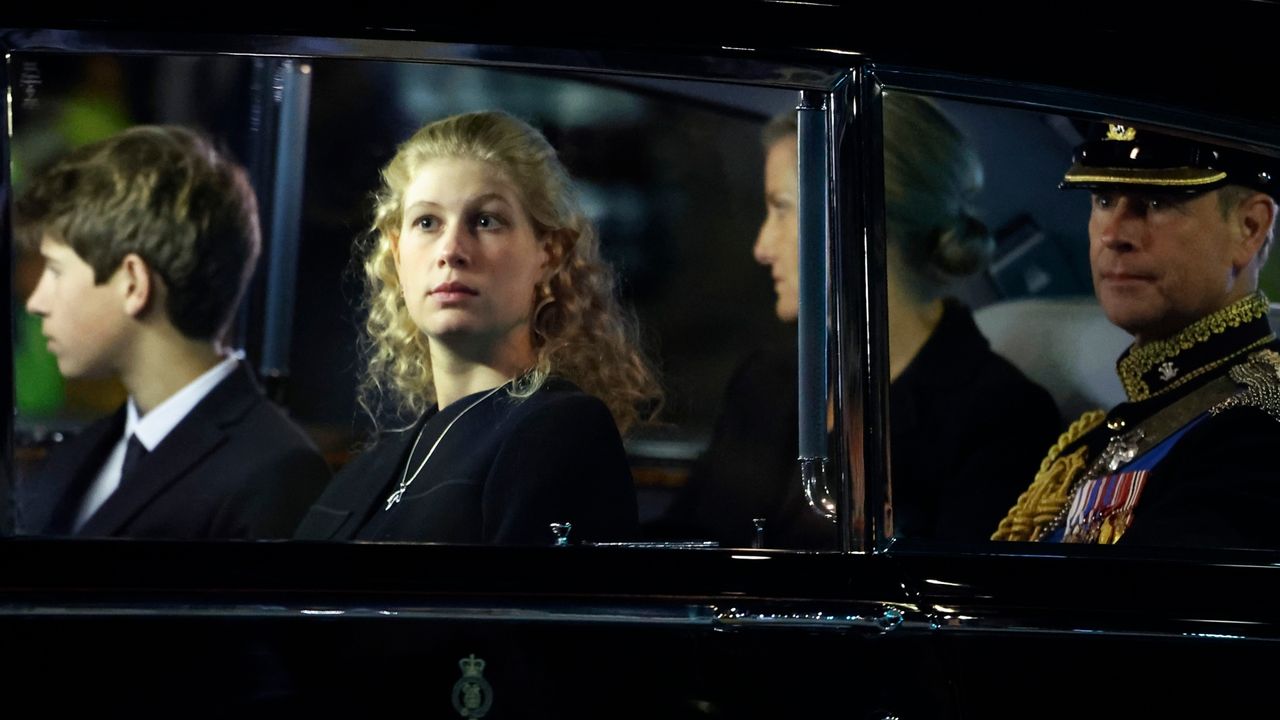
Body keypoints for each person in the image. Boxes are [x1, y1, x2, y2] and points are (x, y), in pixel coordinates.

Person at [662, 95, 1060, 547]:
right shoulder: (767, 380)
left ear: (857, 217)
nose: (762, 246)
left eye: (782, 207)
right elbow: (684, 544)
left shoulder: (999, 418)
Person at [294, 111, 660, 545]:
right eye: (427, 222)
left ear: (549, 252)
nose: (451, 250)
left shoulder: (557, 430)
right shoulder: (375, 464)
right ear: (396, 249)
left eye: (485, 221)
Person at [15, 125, 331, 539]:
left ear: (133, 283)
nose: (35, 301)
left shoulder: (277, 474)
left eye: (56, 271)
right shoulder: (76, 456)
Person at [993, 123, 1280, 549]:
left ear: (1249, 228)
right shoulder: (1129, 418)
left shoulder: (1259, 432)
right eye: (1105, 200)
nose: (1112, 234)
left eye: (1157, 202)